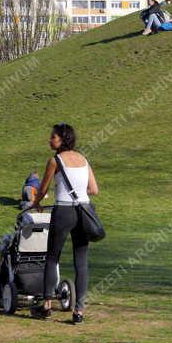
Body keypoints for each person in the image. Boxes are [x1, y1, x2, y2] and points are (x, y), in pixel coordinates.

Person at [30, 123, 99, 324]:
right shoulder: (84, 160)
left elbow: (42, 190)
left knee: (52, 257)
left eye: (53, 137)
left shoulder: (55, 161)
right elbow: (94, 189)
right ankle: (79, 311)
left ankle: (47, 305)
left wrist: (36, 202)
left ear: (62, 139)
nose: (49, 140)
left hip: (63, 212)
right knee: (81, 260)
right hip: (83, 211)